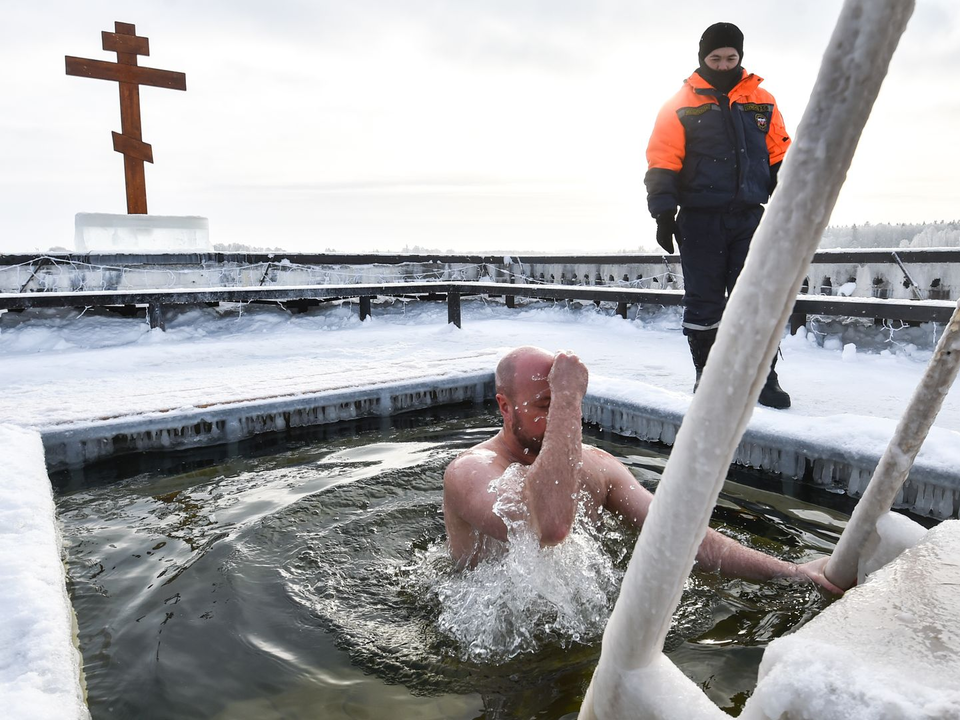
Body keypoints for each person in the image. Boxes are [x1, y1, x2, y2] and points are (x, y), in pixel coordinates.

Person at [442, 346, 840, 592]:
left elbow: (677, 534)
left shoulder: (597, 466)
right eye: (546, 407)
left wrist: (790, 572)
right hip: (491, 654)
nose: (561, 416)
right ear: (505, 406)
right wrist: (566, 396)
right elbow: (548, 525)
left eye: (568, 405)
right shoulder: (471, 472)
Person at [645, 22, 791, 408]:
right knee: (705, 302)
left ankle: (763, 379)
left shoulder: (763, 100)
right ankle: (707, 378)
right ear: (702, 58)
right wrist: (663, 213)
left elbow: (780, 159)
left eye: (731, 58)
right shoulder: (680, 103)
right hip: (699, 220)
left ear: (740, 57)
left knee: (757, 300)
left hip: (749, 217)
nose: (724, 65)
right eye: (716, 58)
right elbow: (662, 161)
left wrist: (789, 206)